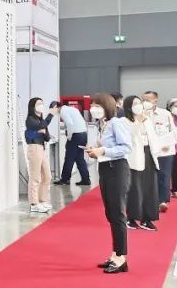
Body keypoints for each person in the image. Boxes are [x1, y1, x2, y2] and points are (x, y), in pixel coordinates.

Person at [86, 93, 133, 274]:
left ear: (107, 106)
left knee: (118, 214)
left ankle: (121, 257)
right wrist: (97, 151)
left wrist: (103, 150)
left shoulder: (116, 123)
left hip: (117, 169)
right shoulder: (103, 124)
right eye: (92, 106)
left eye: (97, 106)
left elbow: (125, 147)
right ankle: (115, 254)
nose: (93, 109)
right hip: (106, 168)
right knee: (111, 213)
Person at [124, 95, 160, 232]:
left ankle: (147, 218)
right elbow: (130, 136)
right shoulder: (125, 121)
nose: (139, 106)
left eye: (140, 103)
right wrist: (138, 121)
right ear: (129, 107)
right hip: (133, 157)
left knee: (150, 187)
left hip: (149, 154)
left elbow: (153, 137)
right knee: (135, 188)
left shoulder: (146, 119)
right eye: (135, 104)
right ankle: (131, 218)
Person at [142, 92, 177, 213]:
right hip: (147, 150)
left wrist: (167, 144)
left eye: (148, 100)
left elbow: (173, 132)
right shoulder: (140, 115)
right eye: (143, 100)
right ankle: (148, 200)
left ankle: (162, 201)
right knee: (147, 176)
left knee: (163, 175)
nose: (145, 102)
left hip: (164, 150)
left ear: (155, 101)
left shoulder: (165, 114)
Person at [24, 98, 55, 213]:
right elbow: (40, 127)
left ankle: (42, 200)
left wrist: (41, 130)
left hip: (42, 148)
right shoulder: (30, 120)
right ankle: (34, 203)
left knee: (47, 176)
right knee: (35, 177)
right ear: (33, 106)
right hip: (34, 148)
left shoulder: (41, 120)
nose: (41, 105)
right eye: (38, 104)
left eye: (42, 103)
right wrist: (50, 115)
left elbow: (47, 137)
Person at [53, 102, 91, 186]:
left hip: (75, 135)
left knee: (69, 158)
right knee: (79, 158)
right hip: (83, 135)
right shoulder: (72, 109)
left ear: (56, 107)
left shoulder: (63, 111)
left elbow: (70, 124)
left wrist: (69, 136)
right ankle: (86, 179)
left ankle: (65, 179)